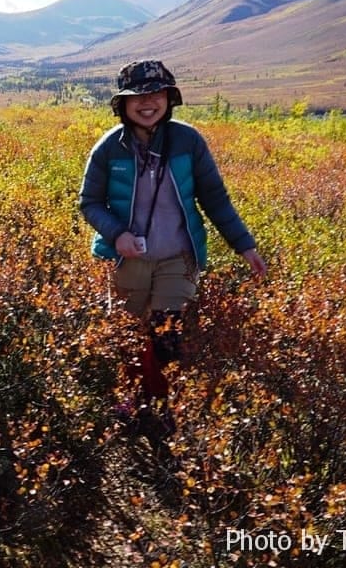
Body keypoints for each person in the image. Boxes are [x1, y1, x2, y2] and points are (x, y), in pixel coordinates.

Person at [79, 59, 267, 440]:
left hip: (178, 258)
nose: (148, 103)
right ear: (122, 104)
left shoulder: (188, 142)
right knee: (130, 337)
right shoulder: (107, 150)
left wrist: (244, 245)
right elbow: (90, 203)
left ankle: (164, 412)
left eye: (156, 94)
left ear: (169, 98)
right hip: (125, 259)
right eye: (137, 97)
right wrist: (117, 235)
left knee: (167, 335)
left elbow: (215, 198)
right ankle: (133, 403)